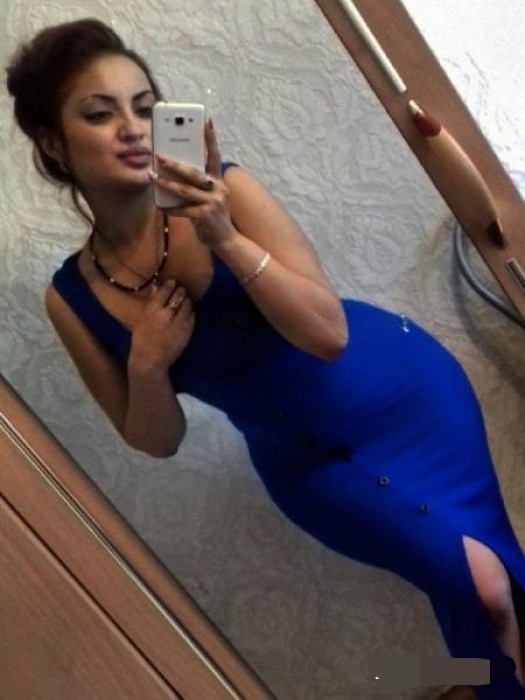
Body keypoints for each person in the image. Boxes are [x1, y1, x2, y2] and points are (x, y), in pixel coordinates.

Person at [6, 18, 525, 700]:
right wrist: (148, 364)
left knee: (489, 584)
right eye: (99, 114)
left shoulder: (228, 191)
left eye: (144, 107)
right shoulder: (72, 296)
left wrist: (223, 236)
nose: (132, 129)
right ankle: (454, 683)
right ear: (54, 142)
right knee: (476, 585)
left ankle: (478, 686)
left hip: (400, 396)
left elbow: (327, 335)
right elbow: (154, 440)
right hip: (305, 466)